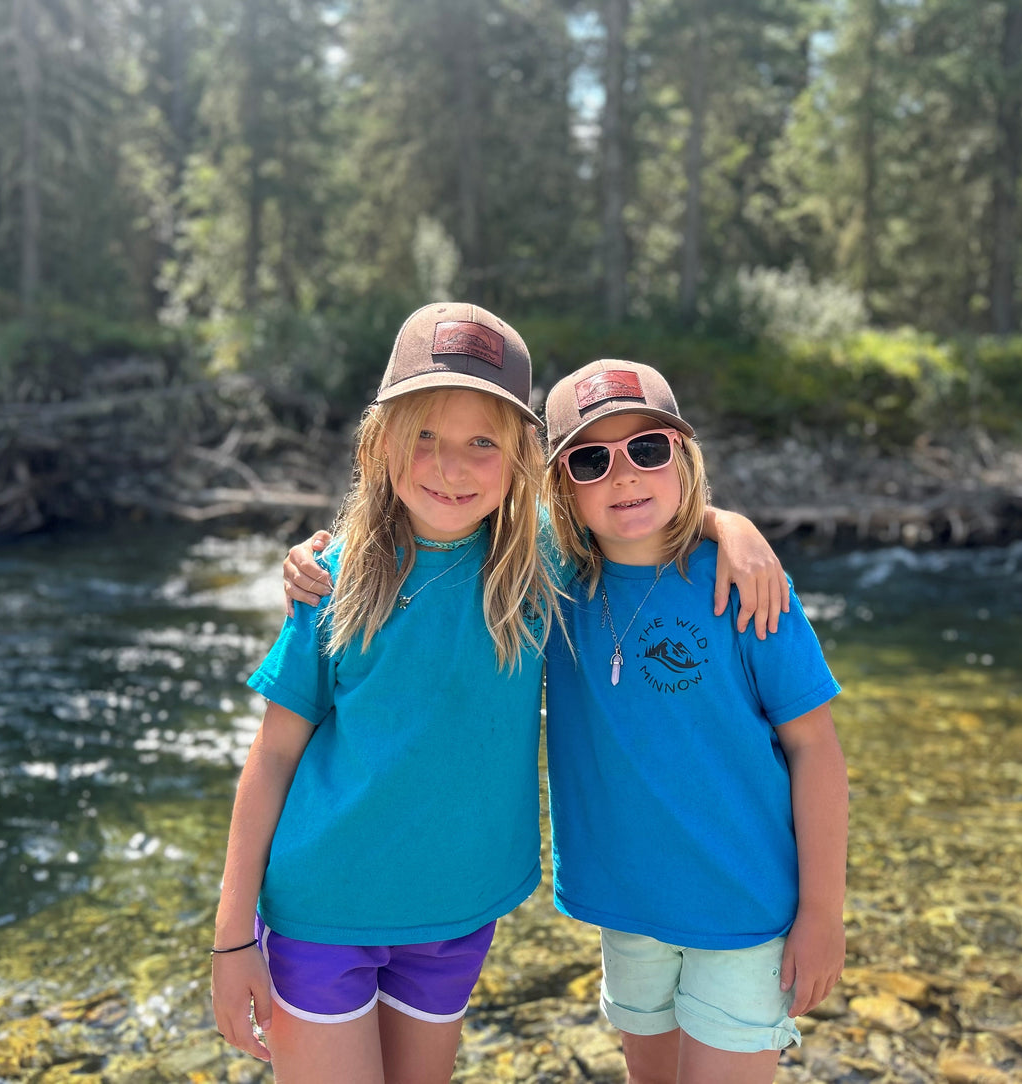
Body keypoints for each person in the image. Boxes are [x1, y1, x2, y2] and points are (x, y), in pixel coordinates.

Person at [218, 303, 787, 1084]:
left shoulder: (539, 567)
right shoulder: (336, 577)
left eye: (481, 442)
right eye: (423, 436)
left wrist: (732, 525)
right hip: (320, 909)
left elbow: (637, 512)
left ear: (522, 458)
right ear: (379, 445)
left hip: (455, 918)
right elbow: (273, 756)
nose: (450, 467)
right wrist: (230, 940)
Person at [541, 359, 848, 1084]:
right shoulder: (548, 587)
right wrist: (320, 555)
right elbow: (448, 530)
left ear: (682, 457)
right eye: (591, 460)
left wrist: (822, 914)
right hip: (627, 908)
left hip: (744, 912)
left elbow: (814, 750)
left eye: (647, 449)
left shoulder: (747, 585)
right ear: (561, 486)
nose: (623, 476)